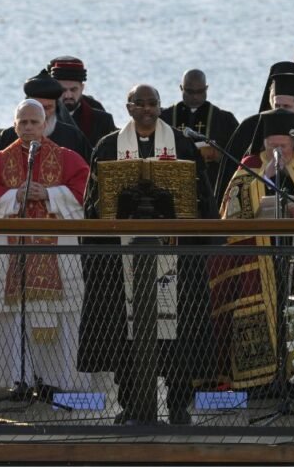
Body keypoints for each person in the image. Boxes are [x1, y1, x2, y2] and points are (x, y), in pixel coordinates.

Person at [79, 84, 215, 425]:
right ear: (127, 107)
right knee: (125, 335)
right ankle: (132, 404)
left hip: (176, 259)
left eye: (152, 103)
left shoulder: (182, 145)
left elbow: (201, 198)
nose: (146, 109)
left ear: (160, 106)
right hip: (120, 257)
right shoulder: (109, 146)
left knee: (179, 336)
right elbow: (92, 202)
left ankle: (179, 404)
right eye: (139, 103)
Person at [214, 108, 294, 389]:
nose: (278, 152)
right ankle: (261, 382)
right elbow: (231, 214)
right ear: (264, 143)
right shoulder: (249, 165)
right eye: (272, 146)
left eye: (283, 147)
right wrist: (265, 179)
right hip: (261, 265)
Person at [0, 99, 92, 394]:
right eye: (22, 122)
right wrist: (15, 196)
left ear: (44, 124)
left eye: (33, 122)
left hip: (58, 255)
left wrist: (49, 194)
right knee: (10, 317)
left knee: (64, 313)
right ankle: (13, 380)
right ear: (14, 125)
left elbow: (86, 192)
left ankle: (63, 381)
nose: (28, 127)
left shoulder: (67, 157)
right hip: (13, 255)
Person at [217, 62, 294, 203]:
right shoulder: (249, 128)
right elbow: (231, 190)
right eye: (277, 106)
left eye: (286, 107)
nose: (280, 112)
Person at [160, 69, 239, 194]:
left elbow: (238, 157)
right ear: (181, 88)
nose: (195, 96)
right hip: (173, 185)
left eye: (200, 91)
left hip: (210, 186)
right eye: (190, 91)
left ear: (206, 88)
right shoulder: (164, 117)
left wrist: (218, 156)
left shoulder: (224, 119)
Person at [0, 70, 92, 162]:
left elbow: (87, 175)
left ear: (56, 108)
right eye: (37, 108)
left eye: (48, 108)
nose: (42, 114)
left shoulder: (73, 137)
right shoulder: (7, 137)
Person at [49, 56, 116, 146]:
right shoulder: (43, 115)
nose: (68, 95)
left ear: (82, 88)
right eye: (63, 90)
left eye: (73, 90)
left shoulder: (101, 120)